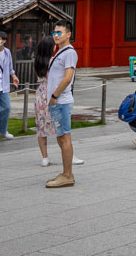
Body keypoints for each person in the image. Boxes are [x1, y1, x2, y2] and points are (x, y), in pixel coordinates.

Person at [32, 37, 85, 169]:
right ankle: (69, 155)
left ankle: (45, 157)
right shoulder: (53, 61)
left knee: (41, 128)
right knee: (60, 127)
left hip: (40, 95)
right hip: (52, 93)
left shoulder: (38, 62)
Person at [44, 19, 79, 188]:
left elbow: (67, 77)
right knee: (61, 137)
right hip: (57, 101)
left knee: (64, 137)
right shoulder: (60, 52)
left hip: (61, 100)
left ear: (68, 34)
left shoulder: (69, 53)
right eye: (54, 32)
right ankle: (67, 172)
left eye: (59, 32)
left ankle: (67, 175)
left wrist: (54, 96)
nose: (56, 35)